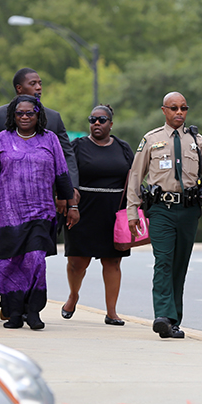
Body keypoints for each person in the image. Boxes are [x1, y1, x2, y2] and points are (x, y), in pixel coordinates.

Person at [0, 95, 79, 330]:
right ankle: (14, 313)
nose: (24, 117)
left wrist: (71, 205)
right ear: (12, 116)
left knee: (35, 260)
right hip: (8, 213)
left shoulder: (50, 139)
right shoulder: (3, 139)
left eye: (30, 113)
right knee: (10, 264)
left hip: (40, 212)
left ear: (39, 115)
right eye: (19, 113)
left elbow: (62, 174)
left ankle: (34, 311)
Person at [126, 92, 202, 339]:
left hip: (188, 211)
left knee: (179, 265)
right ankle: (163, 316)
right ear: (164, 110)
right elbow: (135, 175)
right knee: (163, 260)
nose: (179, 113)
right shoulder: (151, 139)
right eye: (174, 108)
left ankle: (173, 320)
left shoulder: (197, 141)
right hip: (161, 209)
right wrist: (133, 211)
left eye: (183, 108)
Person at [61, 105, 134, 326]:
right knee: (77, 261)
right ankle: (73, 295)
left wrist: (134, 207)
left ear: (111, 123)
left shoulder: (122, 147)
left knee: (112, 261)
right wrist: (68, 202)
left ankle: (111, 312)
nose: (97, 124)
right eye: (93, 119)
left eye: (102, 120)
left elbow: (134, 175)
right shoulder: (78, 147)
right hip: (82, 209)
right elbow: (66, 174)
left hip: (113, 211)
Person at [0, 67, 79, 205]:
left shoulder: (53, 118)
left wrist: (71, 187)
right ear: (19, 88)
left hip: (46, 198)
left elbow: (67, 155)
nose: (38, 88)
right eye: (33, 84)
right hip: (6, 197)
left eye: (40, 84)